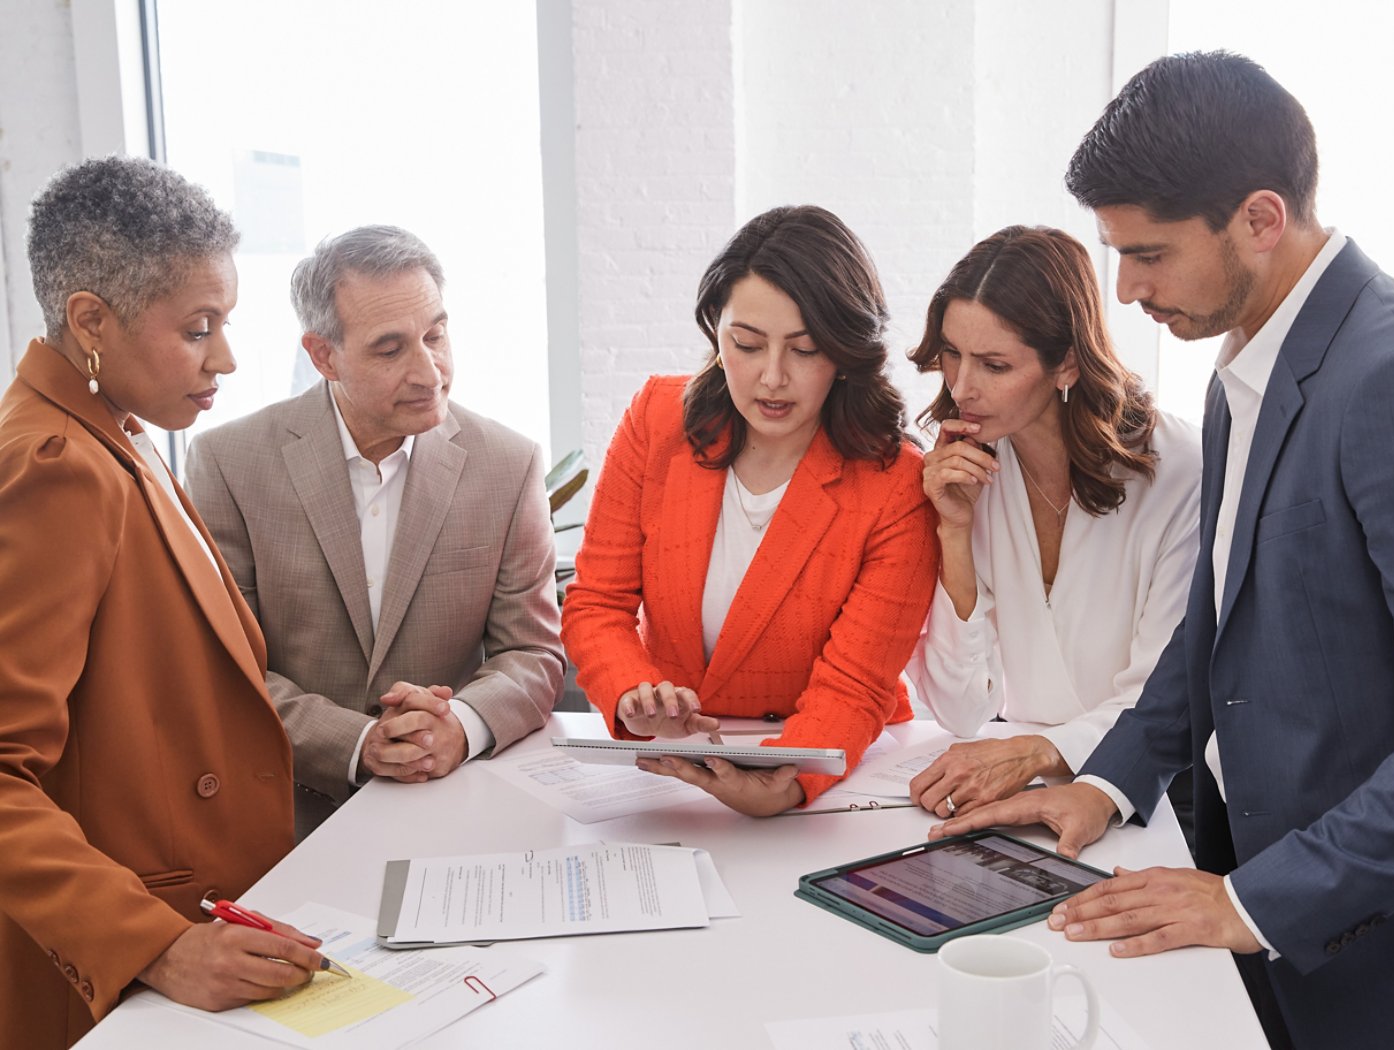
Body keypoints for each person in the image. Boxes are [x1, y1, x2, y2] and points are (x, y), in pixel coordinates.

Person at [938, 51, 1394, 1050]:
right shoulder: (1243, 362)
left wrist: (1256, 904)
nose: (1126, 288)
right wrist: (1102, 782)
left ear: (1259, 219)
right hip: (1245, 896)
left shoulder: (1384, 377)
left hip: (1356, 945)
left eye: (1146, 253)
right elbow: (1219, 627)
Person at [0, 156, 330, 1049]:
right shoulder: (57, 468)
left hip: (211, 914)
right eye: (197, 329)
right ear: (90, 321)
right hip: (127, 971)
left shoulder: (123, 432)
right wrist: (157, 946)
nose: (224, 357)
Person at [186, 226, 565, 836]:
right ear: (322, 355)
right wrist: (356, 741)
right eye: (390, 350)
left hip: (456, 812)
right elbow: (222, 667)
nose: (429, 371)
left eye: (436, 336)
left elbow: (533, 653)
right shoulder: (229, 463)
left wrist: (460, 726)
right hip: (283, 817)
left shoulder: (508, 462)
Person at [561, 205, 938, 816]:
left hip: (829, 767)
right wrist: (635, 693)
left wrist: (789, 781)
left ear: (845, 352)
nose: (772, 378)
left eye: (805, 349)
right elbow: (597, 602)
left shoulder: (895, 483)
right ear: (717, 332)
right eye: (747, 344)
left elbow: (857, 684)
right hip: (672, 764)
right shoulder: (657, 419)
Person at [903, 226, 1200, 817]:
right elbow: (962, 711)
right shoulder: (966, 473)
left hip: (1154, 795)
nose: (962, 388)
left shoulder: (1177, 471)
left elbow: (1162, 697)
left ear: (1066, 363)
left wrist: (1036, 752)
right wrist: (954, 533)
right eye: (952, 354)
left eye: (993, 364)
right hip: (1011, 779)